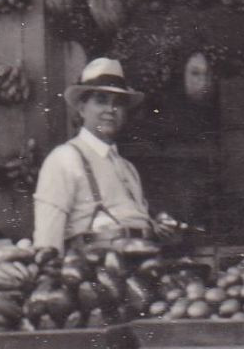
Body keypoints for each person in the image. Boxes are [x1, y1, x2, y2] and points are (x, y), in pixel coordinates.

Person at [31, 58, 155, 251]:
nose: (110, 110)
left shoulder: (128, 169)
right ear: (81, 108)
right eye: (101, 100)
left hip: (140, 267)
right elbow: (47, 242)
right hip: (92, 271)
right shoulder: (65, 159)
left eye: (118, 103)